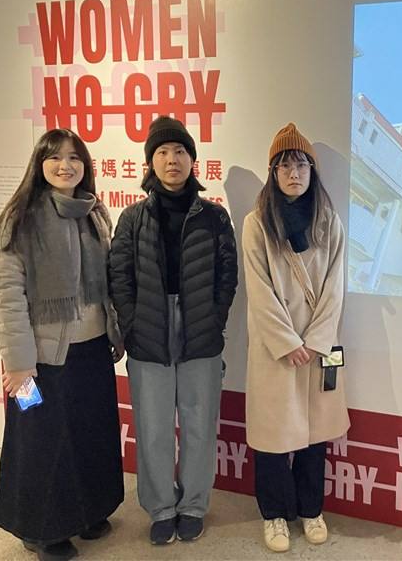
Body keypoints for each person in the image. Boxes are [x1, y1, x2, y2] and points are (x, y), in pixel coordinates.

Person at [0, 128, 125, 561]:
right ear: (40, 164)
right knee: (40, 442)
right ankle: (40, 530)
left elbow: (107, 285)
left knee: (89, 433)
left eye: (74, 158)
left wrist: (115, 332)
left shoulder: (93, 213)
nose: (66, 165)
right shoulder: (20, 219)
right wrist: (18, 364)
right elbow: (7, 296)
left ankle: (87, 512)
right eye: (56, 157)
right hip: (39, 359)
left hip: (91, 350)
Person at [109, 116, 238, 545]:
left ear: (192, 159)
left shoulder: (214, 217)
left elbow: (227, 276)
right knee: (153, 427)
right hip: (149, 329)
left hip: (201, 329)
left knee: (200, 424)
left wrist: (214, 320)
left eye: (180, 151)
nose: (172, 159)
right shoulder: (132, 218)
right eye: (162, 152)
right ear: (150, 162)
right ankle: (162, 507)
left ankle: (194, 505)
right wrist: (132, 324)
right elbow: (119, 276)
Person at [242, 123, 349, 553]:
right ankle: (274, 514)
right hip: (276, 349)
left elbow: (336, 287)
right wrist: (288, 342)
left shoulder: (329, 222)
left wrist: (316, 339)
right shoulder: (256, 223)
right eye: (284, 165)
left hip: (319, 347)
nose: (293, 173)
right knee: (272, 436)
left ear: (312, 171)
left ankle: (311, 509)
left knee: (314, 434)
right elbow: (258, 290)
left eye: (301, 164)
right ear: (273, 172)